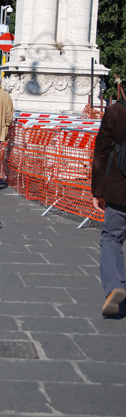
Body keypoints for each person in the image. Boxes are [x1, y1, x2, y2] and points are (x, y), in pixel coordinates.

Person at [92, 100, 126, 316]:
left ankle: (114, 285)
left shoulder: (116, 112)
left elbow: (101, 151)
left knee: (112, 238)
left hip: (118, 188)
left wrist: (98, 190)